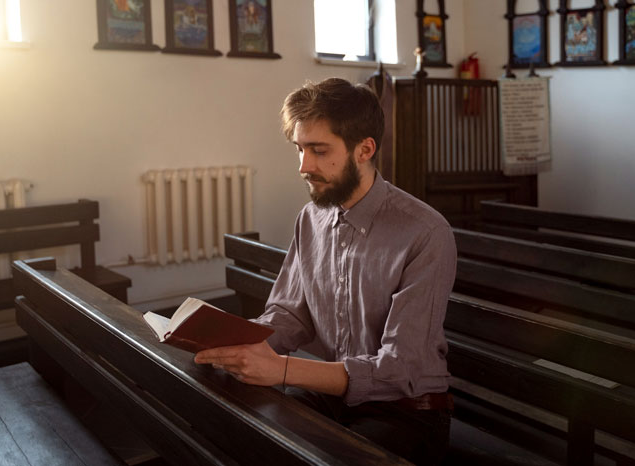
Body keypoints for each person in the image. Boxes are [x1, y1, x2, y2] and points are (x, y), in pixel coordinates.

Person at [194, 77, 457, 465]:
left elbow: (399, 369)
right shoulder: (311, 217)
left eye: (318, 150)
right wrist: (238, 344)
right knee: (240, 432)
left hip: (406, 407)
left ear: (364, 149)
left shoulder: (425, 232)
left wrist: (280, 368)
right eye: (299, 149)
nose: (304, 166)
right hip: (329, 393)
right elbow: (290, 315)